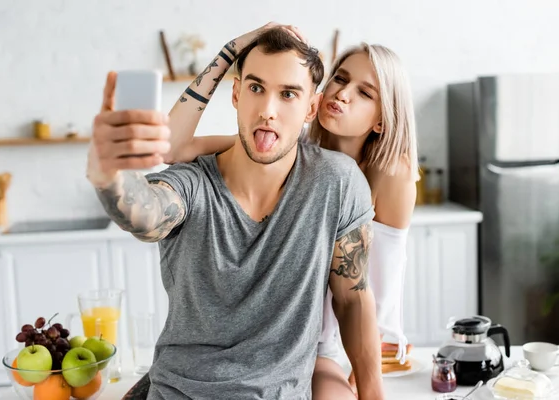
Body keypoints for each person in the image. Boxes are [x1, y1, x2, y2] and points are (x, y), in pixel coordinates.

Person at [87, 27, 385, 399]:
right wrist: (107, 173)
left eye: (288, 94)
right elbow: (143, 216)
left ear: (311, 107)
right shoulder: (193, 182)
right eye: (256, 88)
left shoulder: (337, 182)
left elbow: (353, 299)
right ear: (236, 93)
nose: (267, 111)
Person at [164, 23, 419, 400]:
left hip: (333, 348)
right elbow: (172, 148)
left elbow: (372, 291)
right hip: (271, 349)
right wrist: (232, 50)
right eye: (340, 79)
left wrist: (369, 379)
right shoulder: (282, 146)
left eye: (364, 93)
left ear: (382, 119)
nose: (343, 95)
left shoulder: (391, 174)